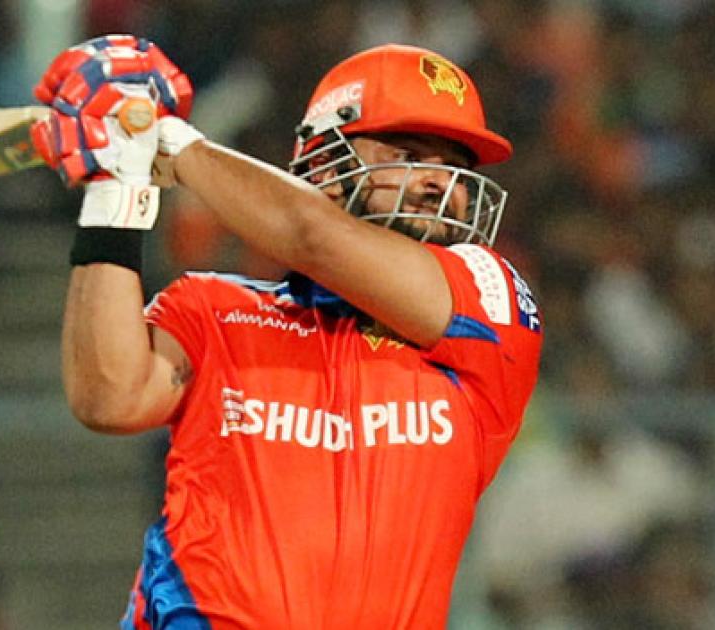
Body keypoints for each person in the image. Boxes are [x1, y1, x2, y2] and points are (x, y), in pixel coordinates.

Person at [30, 35, 543, 628]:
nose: (439, 183)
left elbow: (311, 235)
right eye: (408, 153)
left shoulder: (491, 306)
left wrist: (168, 139)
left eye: (455, 167)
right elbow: (107, 397)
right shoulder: (213, 309)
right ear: (325, 167)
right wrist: (114, 186)